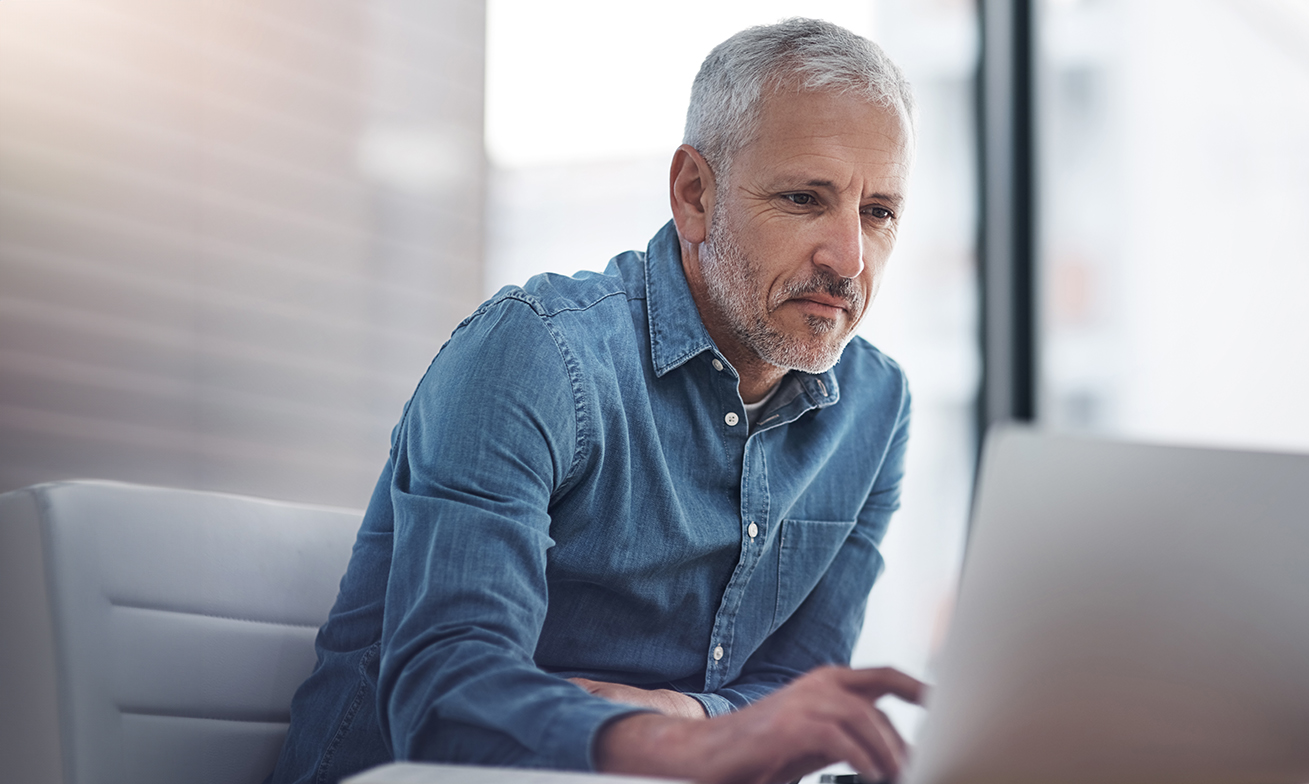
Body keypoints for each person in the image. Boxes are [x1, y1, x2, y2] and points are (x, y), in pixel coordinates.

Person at [269, 18, 923, 784]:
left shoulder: (876, 408)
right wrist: (693, 745)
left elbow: (799, 690)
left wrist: (689, 718)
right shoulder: (535, 353)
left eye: (877, 212)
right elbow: (445, 697)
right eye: (804, 198)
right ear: (694, 195)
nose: (848, 258)